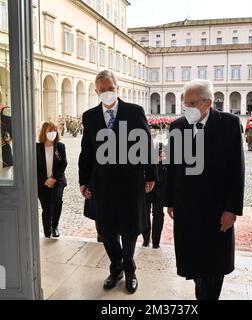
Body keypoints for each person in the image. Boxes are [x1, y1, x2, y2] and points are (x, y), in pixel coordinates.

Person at [165, 79, 245, 300]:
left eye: (192, 103)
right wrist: (170, 200)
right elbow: (172, 167)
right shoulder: (177, 126)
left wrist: (232, 209)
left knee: (214, 264)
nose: (187, 107)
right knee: (193, 262)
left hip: (217, 210)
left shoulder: (229, 124)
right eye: (185, 103)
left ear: (208, 102)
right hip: (187, 208)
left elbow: (236, 170)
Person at [78, 70, 157, 294]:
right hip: (101, 183)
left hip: (130, 181)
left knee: (130, 228)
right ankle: (117, 267)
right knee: (106, 229)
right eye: (102, 90)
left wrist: (151, 175)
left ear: (117, 88)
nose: (106, 92)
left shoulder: (134, 111)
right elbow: (87, 151)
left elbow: (145, 144)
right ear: (96, 91)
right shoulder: (90, 116)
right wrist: (84, 181)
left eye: (110, 88)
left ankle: (130, 269)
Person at [37, 122, 67, 238]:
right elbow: (34, 166)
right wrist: (45, 180)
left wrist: (53, 179)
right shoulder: (37, 148)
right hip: (42, 182)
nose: (52, 133)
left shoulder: (60, 146)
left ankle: (54, 226)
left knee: (57, 200)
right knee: (46, 207)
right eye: (49, 131)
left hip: (57, 181)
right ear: (44, 132)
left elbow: (64, 163)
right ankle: (47, 231)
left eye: (54, 131)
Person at [142, 144, 167, 249]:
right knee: (145, 211)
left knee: (158, 213)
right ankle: (146, 239)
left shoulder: (169, 132)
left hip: (162, 179)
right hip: (146, 178)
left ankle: (156, 242)